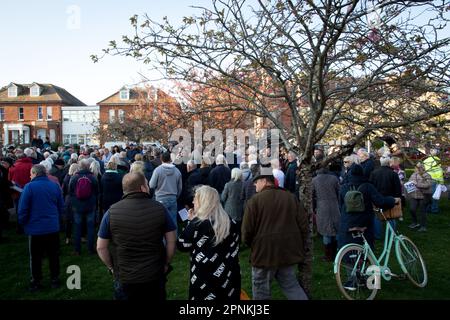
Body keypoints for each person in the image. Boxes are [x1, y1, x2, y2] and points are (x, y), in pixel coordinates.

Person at [97, 172, 177, 300]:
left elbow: (101, 247)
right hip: (153, 275)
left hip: (126, 277)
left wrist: (111, 267)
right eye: (146, 183)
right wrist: (167, 262)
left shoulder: (110, 212)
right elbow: (171, 240)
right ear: (142, 188)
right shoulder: (160, 209)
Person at [242, 174, 309, 300]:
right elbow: (304, 225)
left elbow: (246, 231)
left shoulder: (255, 201)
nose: (254, 184)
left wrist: (253, 245)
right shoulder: (290, 197)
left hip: (264, 254)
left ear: (264, 181)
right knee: (291, 286)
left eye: (256, 182)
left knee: (261, 290)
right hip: (287, 251)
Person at [177, 185, 241, 300]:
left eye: (195, 199)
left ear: (203, 201)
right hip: (229, 277)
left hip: (203, 279)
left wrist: (189, 222)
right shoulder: (231, 222)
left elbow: (182, 245)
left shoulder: (197, 224)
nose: (192, 202)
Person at [18, 164, 64, 291]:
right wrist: (57, 219)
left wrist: (22, 223)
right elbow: (61, 206)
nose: (29, 176)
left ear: (35, 174)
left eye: (30, 174)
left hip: (36, 228)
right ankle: (54, 279)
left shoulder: (29, 187)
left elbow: (23, 209)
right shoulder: (54, 186)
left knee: (36, 256)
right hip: (51, 227)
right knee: (53, 255)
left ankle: (36, 281)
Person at [338, 165, 399, 251]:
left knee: (347, 244)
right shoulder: (367, 186)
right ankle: (366, 260)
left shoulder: (343, 187)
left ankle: (347, 258)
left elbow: (340, 204)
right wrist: (392, 200)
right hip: (364, 221)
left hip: (348, 220)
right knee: (366, 245)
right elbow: (380, 201)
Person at [69, 159, 99, 255]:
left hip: (77, 206)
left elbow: (70, 191)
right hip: (90, 205)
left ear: (79, 167)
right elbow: (97, 191)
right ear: (88, 166)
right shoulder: (93, 177)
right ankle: (90, 249)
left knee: (77, 227)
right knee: (90, 227)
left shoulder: (74, 177)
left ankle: (77, 250)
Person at [369, 155, 402, 239]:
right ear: (389, 163)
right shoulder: (393, 174)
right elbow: (397, 188)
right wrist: (397, 198)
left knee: (377, 217)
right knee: (391, 216)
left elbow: (371, 186)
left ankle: (377, 235)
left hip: (377, 198)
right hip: (390, 198)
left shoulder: (374, 173)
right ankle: (392, 234)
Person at [149, 151, 182, 233]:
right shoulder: (177, 171)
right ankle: (174, 241)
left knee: (160, 221)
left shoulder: (158, 170)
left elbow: (151, 185)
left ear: (161, 159)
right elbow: (180, 188)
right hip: (172, 198)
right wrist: (176, 196)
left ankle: (162, 241)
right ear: (170, 159)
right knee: (173, 221)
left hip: (160, 198)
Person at [312, 167, 340, 262]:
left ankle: (328, 255)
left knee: (326, 230)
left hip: (322, 206)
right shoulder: (334, 178)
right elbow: (338, 192)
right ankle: (337, 252)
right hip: (334, 205)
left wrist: (313, 207)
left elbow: (312, 195)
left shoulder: (314, 180)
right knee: (335, 228)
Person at [407, 162, 433, 232]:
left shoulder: (427, 175)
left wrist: (417, 184)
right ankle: (415, 222)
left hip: (423, 196)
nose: (416, 169)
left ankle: (423, 226)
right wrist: (409, 185)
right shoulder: (413, 175)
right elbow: (409, 182)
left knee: (422, 211)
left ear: (422, 168)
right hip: (414, 195)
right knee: (412, 209)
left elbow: (428, 185)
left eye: (417, 167)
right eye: (416, 167)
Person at [423, 148, 444, 214]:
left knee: (428, 195)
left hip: (427, 179)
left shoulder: (426, 160)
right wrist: (441, 181)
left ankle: (427, 209)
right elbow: (439, 171)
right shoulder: (437, 160)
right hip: (435, 179)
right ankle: (434, 209)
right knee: (435, 196)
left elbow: (424, 170)